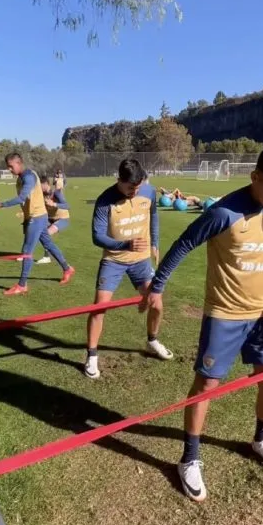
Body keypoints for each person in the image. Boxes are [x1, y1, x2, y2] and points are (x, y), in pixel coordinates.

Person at [141, 146, 263, 503]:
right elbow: (183, 244)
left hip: (262, 317)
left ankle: (261, 439)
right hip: (224, 315)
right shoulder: (224, 212)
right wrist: (158, 286)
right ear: (255, 178)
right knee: (207, 386)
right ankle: (189, 460)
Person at [85, 157, 173, 380]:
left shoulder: (149, 191)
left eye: (138, 186)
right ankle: (92, 356)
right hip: (113, 260)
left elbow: (153, 214)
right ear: (119, 181)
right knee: (99, 307)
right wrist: (124, 244)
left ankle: (152, 340)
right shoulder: (105, 201)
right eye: (129, 188)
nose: (134, 191)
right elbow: (97, 237)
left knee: (156, 302)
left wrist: (154, 242)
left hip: (140, 260)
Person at [0, 152, 75, 296]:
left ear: (19, 163)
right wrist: (25, 217)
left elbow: (21, 197)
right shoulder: (19, 179)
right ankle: (67, 268)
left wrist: (0, 204)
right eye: (7, 167)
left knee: (27, 252)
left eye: (11, 166)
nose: (9, 169)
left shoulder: (29, 176)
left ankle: (22, 285)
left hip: (37, 218)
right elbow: (24, 201)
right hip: (35, 217)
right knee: (49, 245)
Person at [35, 175, 70, 265]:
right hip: (49, 219)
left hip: (62, 218)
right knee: (39, 233)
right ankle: (26, 254)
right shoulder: (41, 194)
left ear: (46, 184)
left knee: (47, 233)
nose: (38, 187)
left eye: (40, 185)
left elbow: (67, 206)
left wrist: (54, 204)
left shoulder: (56, 193)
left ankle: (47, 257)